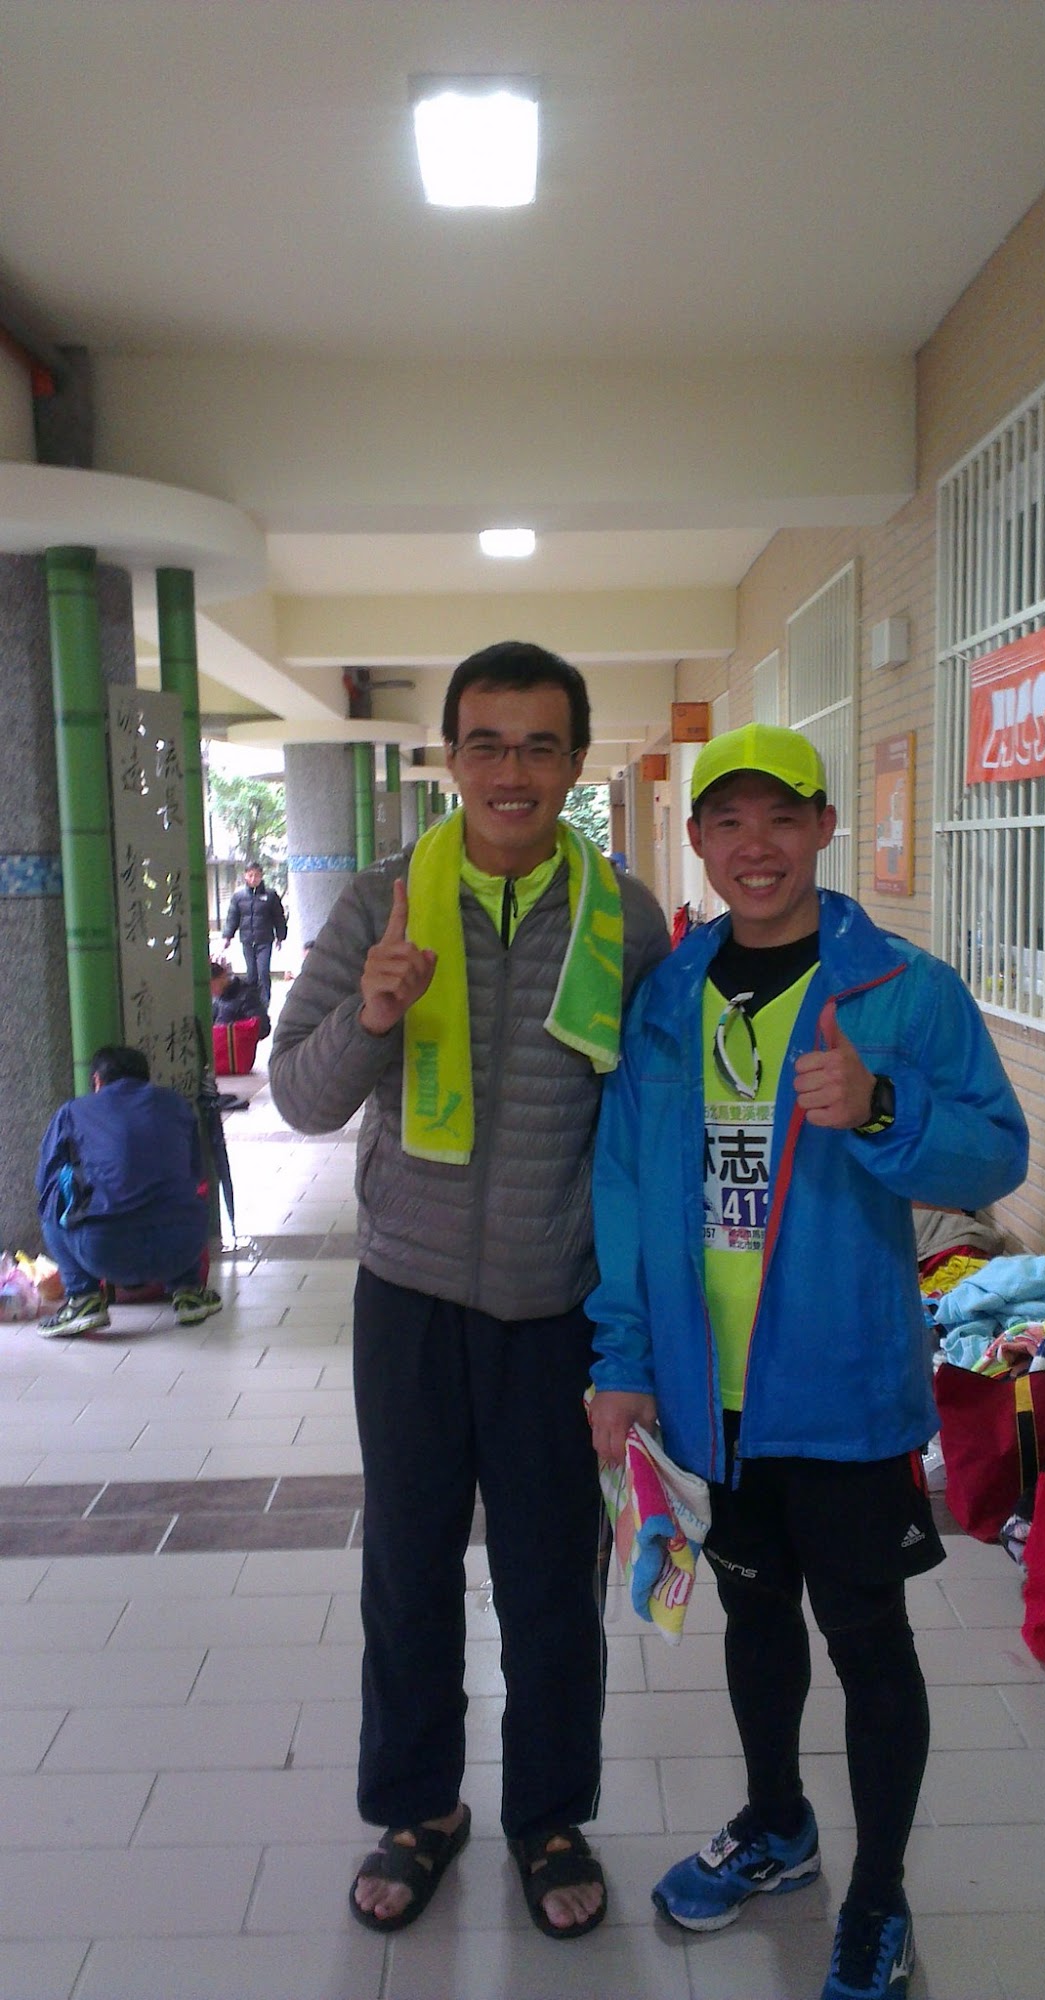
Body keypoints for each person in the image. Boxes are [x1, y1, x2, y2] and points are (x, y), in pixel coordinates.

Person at [587, 723, 1028, 2000]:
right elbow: (624, 1190)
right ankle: (779, 1821)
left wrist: (885, 1106)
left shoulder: (902, 988)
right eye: (729, 821)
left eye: (782, 817)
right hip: (705, 1394)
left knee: (869, 1637)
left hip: (840, 1388)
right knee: (754, 1614)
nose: (756, 845)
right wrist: (624, 1357)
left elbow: (996, 1151)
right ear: (697, 840)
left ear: (825, 827)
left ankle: (878, 1893)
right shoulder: (664, 997)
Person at [270, 640, 668, 1941]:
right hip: (411, 1296)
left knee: (554, 1577)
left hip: (559, 1305)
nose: (512, 770)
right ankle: (418, 1807)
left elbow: (651, 1131)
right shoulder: (379, 903)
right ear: (450, 757)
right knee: (409, 1564)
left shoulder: (625, 918)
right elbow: (298, 1097)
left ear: (575, 763)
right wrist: (372, 1015)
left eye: (540, 745)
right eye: (487, 743)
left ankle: (548, 1814)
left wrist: (639, 1342)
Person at [36, 1045, 222, 1337]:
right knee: (185, 1193)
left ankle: (83, 1299)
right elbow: (195, 1172)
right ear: (146, 1078)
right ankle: (189, 1291)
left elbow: (44, 1180)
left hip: (104, 1252)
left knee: (53, 1195)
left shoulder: (73, 1112)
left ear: (97, 1080)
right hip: (183, 1248)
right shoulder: (176, 1105)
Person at [222, 860, 287, 1008]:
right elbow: (232, 918)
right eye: (250, 875)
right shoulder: (238, 897)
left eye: (257, 875)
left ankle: (264, 1005)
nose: (253, 879)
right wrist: (227, 937)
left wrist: (280, 936)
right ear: (245, 875)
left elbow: (279, 917)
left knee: (263, 973)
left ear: (261, 876)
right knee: (251, 974)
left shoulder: (270, 895)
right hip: (247, 941)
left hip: (265, 940)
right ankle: (252, 1005)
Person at [210, 959, 269, 1039]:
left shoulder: (246, 996)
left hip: (236, 1043)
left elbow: (263, 1028)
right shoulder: (216, 1000)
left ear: (223, 976)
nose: (211, 991)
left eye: (212, 986)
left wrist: (234, 1031)